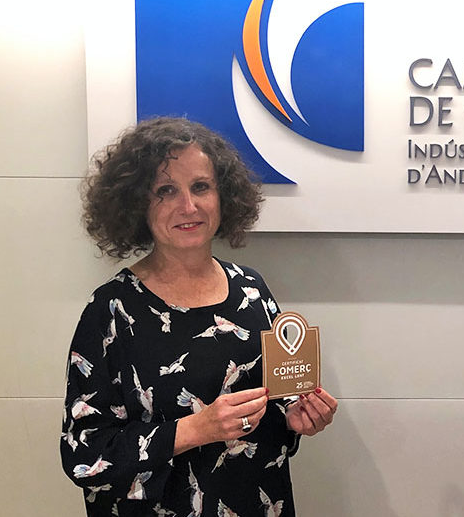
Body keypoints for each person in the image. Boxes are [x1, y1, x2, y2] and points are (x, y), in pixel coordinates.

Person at [61, 117, 337, 516]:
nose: (188, 207)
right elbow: (84, 454)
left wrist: (294, 419)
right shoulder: (111, 310)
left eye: (201, 187)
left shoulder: (252, 290)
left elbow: (273, 406)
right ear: (137, 202)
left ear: (224, 195)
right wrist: (194, 429)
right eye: (166, 191)